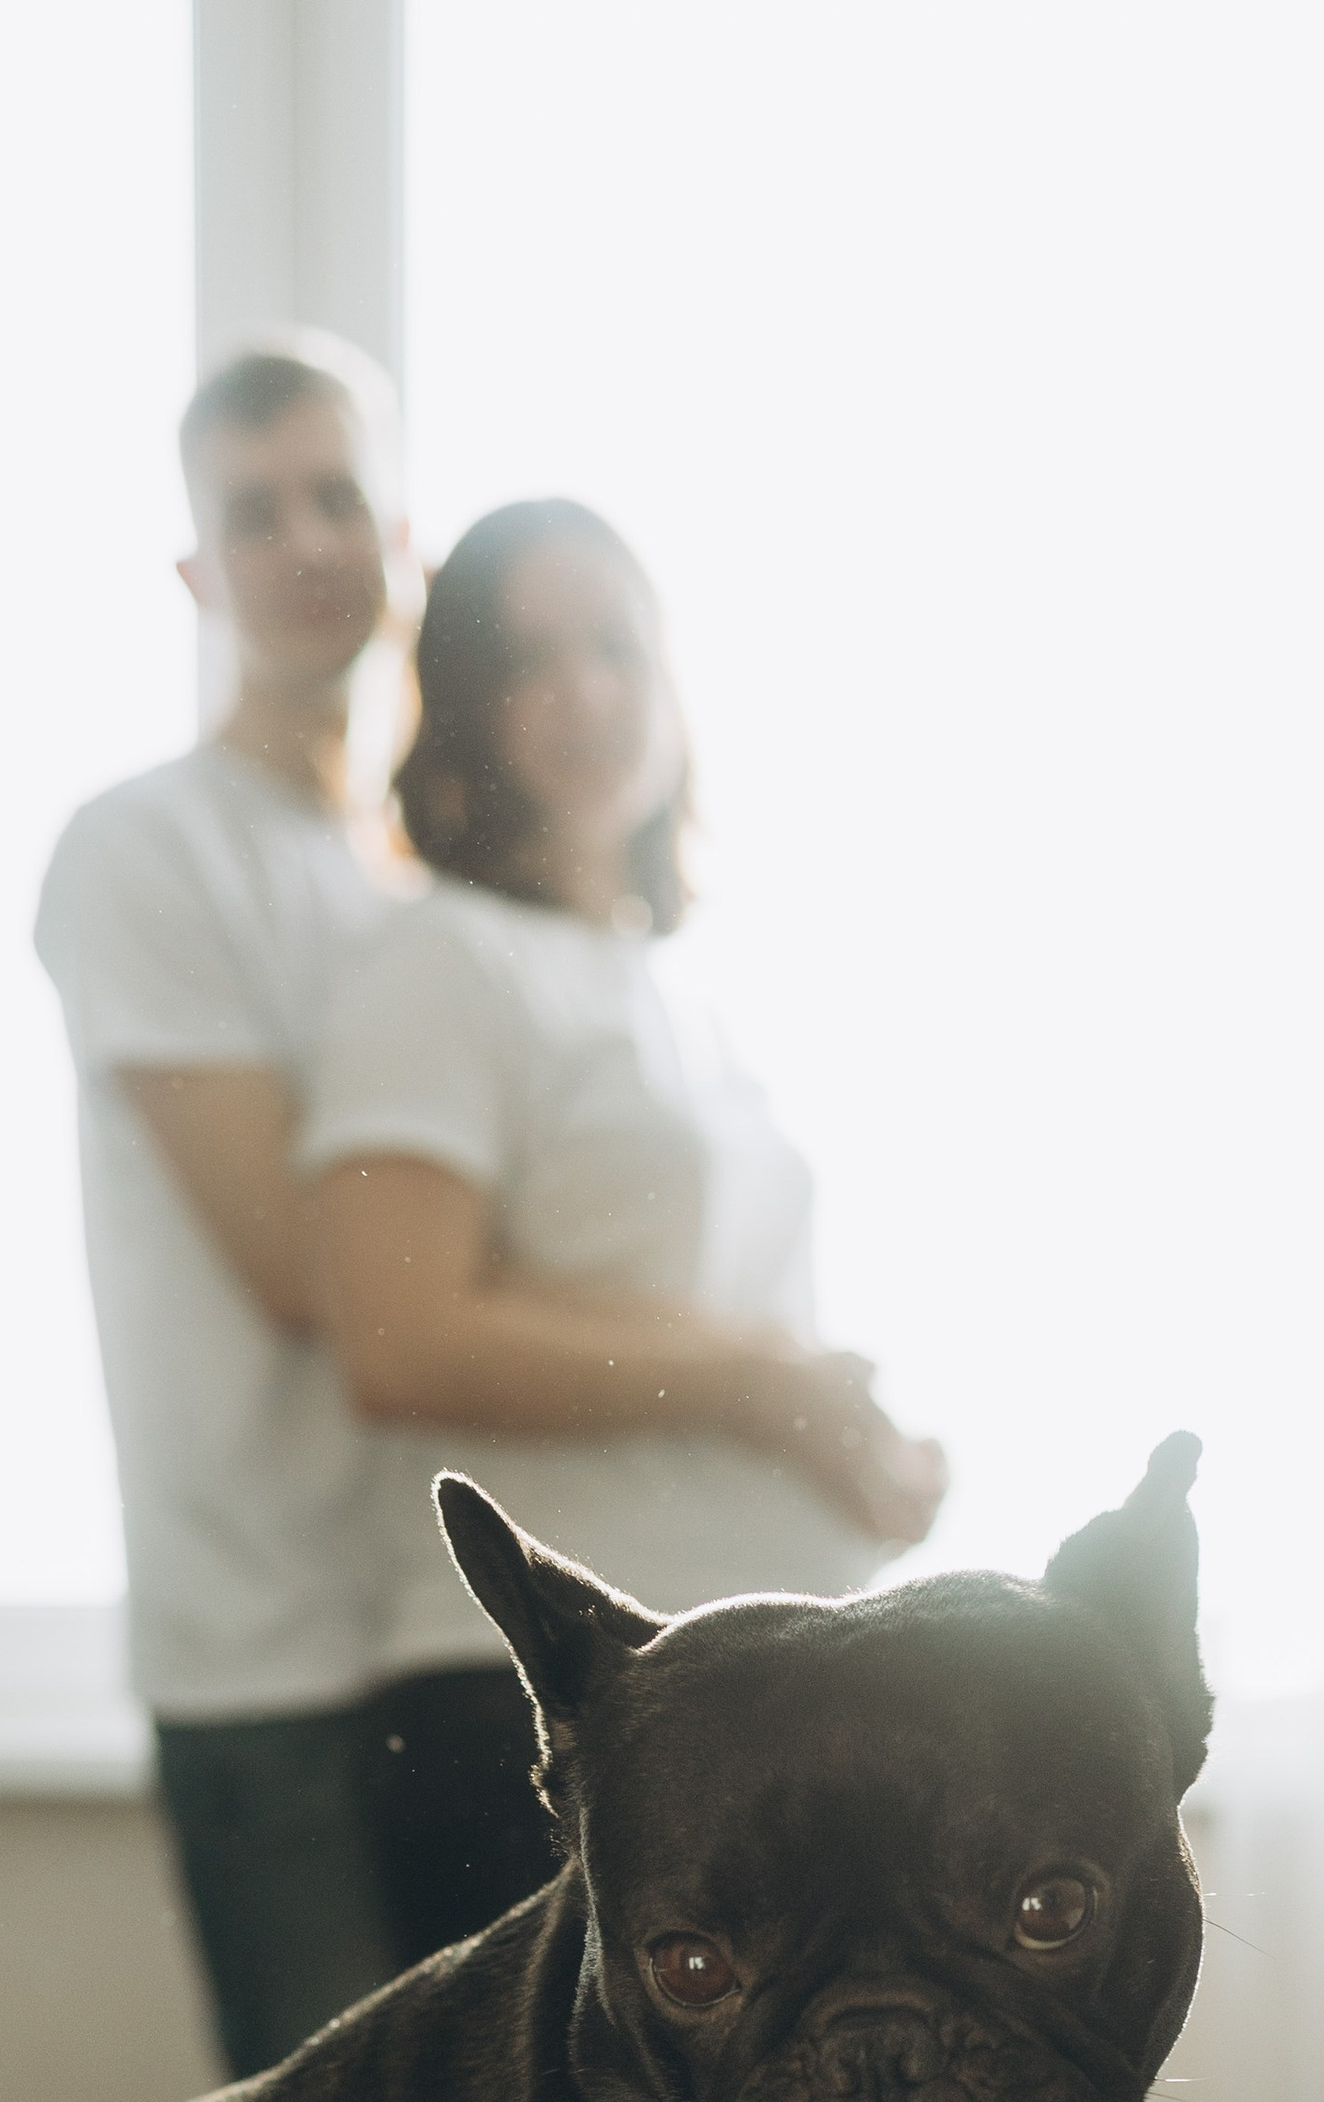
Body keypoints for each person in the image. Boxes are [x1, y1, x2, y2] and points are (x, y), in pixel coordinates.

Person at [300, 497, 945, 1962]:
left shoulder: (670, 989)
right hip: (538, 1708)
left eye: (616, 647)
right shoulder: (437, 961)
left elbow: (677, 1316)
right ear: (461, 703)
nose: (587, 692)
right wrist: (767, 1396)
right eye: (532, 661)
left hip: (730, 1690)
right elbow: (401, 1340)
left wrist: (850, 1442)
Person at [34, 334, 417, 2079]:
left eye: (339, 493)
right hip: (259, 1647)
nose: (307, 541)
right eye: (256, 513)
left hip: (432, 1623)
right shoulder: (142, 852)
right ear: (200, 571)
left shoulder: (412, 877)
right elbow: (299, 1270)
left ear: (401, 527)